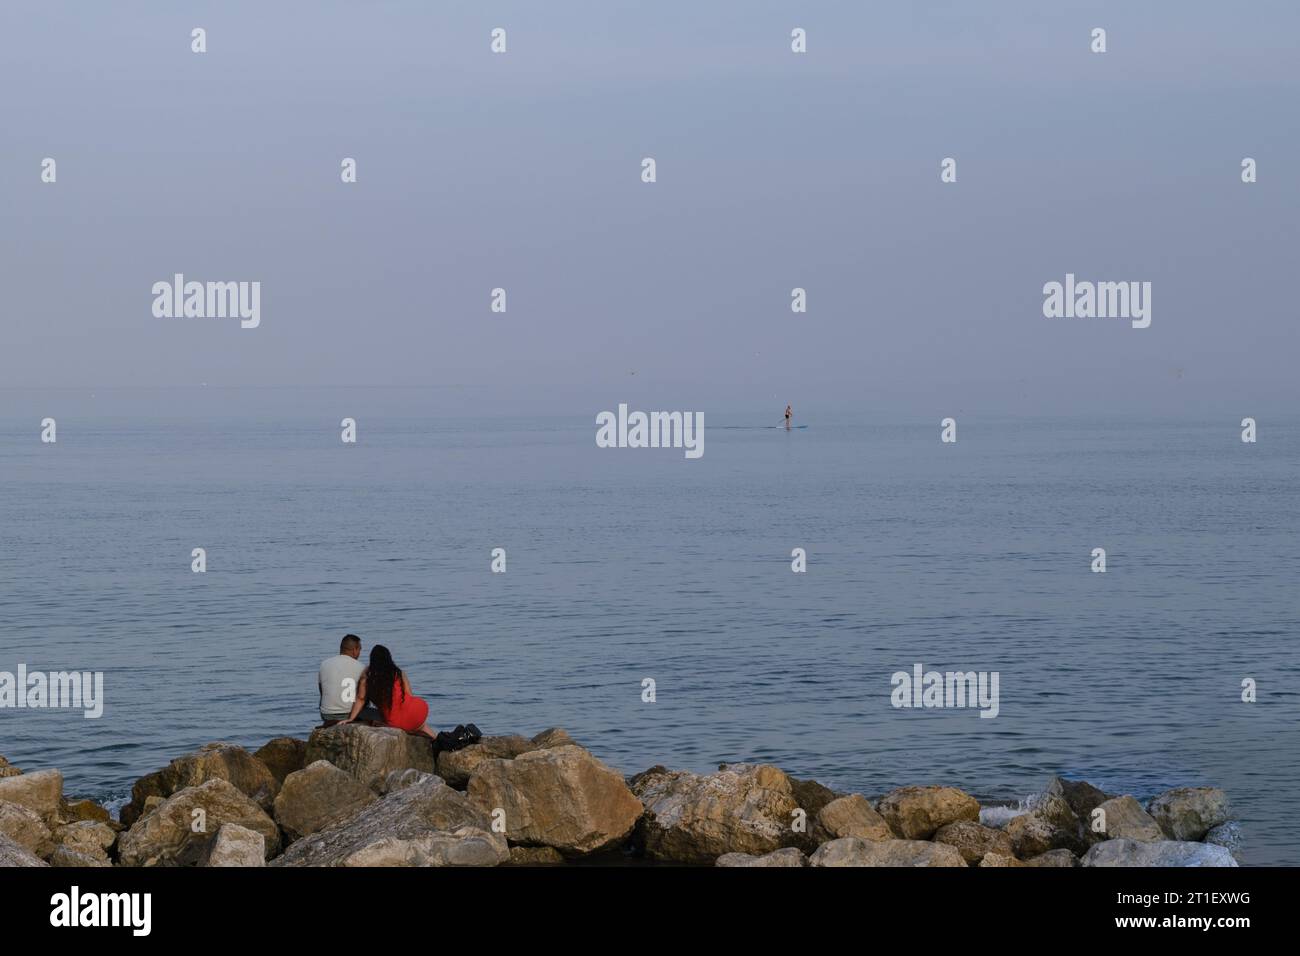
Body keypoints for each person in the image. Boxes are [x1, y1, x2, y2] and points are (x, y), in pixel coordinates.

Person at [340, 644, 437, 740]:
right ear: (389, 657)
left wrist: (351, 719)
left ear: (372, 660)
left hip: (396, 722)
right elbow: (409, 695)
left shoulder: (367, 676)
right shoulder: (398, 672)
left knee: (365, 714)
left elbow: (361, 699)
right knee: (423, 727)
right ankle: (438, 741)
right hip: (418, 711)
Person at [319, 634, 366, 727]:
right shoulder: (361, 667)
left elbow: (322, 691)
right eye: (360, 649)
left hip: (326, 715)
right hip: (347, 714)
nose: (360, 653)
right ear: (354, 650)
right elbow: (362, 697)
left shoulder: (324, 664)